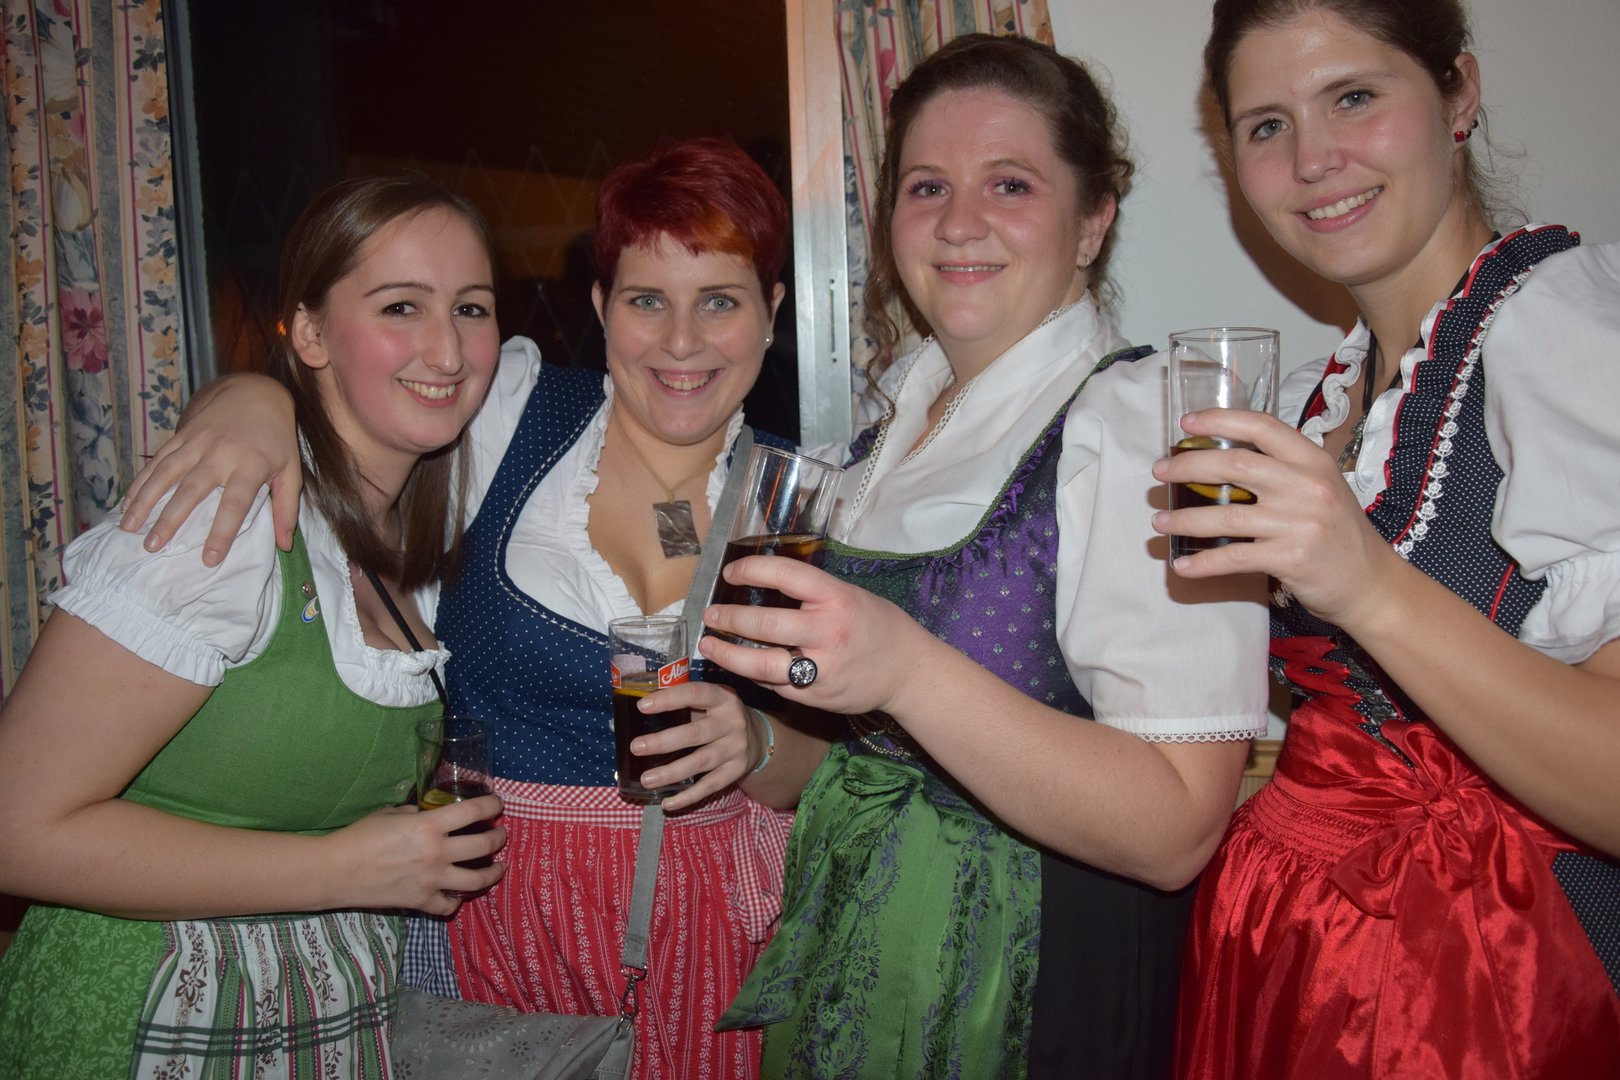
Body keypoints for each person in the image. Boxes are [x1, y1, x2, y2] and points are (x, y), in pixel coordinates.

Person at [115, 137, 833, 1080]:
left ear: (773, 312)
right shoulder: (506, 416)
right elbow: (349, 412)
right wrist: (249, 397)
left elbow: (837, 764)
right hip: (497, 913)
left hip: (721, 931)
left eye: (721, 302)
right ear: (601, 307)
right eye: (647, 300)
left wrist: (757, 743)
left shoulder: (802, 500)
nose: (681, 342)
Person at [699, 34, 1270, 1079]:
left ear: (1093, 221)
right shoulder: (881, 438)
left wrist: (905, 669)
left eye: (1010, 183)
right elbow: (863, 764)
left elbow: (1178, 826)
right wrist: (752, 743)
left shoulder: (1149, 426)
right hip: (865, 946)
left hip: (1034, 974)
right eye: (927, 187)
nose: (959, 222)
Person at [1159, 1, 1620, 1075]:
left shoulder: (1566, 335)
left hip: (1503, 989)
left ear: (1459, 93)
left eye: (1354, 97)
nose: (1313, 160)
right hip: (1311, 957)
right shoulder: (1333, 389)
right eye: (1266, 125)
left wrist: (1366, 586)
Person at [0, 174, 507, 1077]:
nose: (447, 349)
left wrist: (245, 392)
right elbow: (15, 827)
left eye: (471, 308)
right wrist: (346, 869)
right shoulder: (224, 521)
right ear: (309, 333)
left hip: (325, 1018)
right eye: (400, 306)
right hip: (151, 1013)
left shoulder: (407, 535)